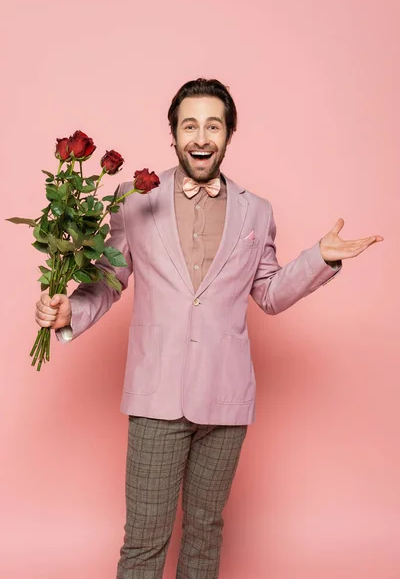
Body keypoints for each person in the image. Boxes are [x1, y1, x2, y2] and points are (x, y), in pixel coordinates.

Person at [34, 78, 383, 579]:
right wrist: (70, 312)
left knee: (204, 535)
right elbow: (110, 278)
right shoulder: (133, 199)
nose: (201, 136)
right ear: (173, 133)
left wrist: (319, 259)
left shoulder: (256, 211)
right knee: (144, 541)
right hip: (157, 397)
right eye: (190, 125)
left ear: (229, 134)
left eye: (213, 125)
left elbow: (269, 293)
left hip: (226, 398)